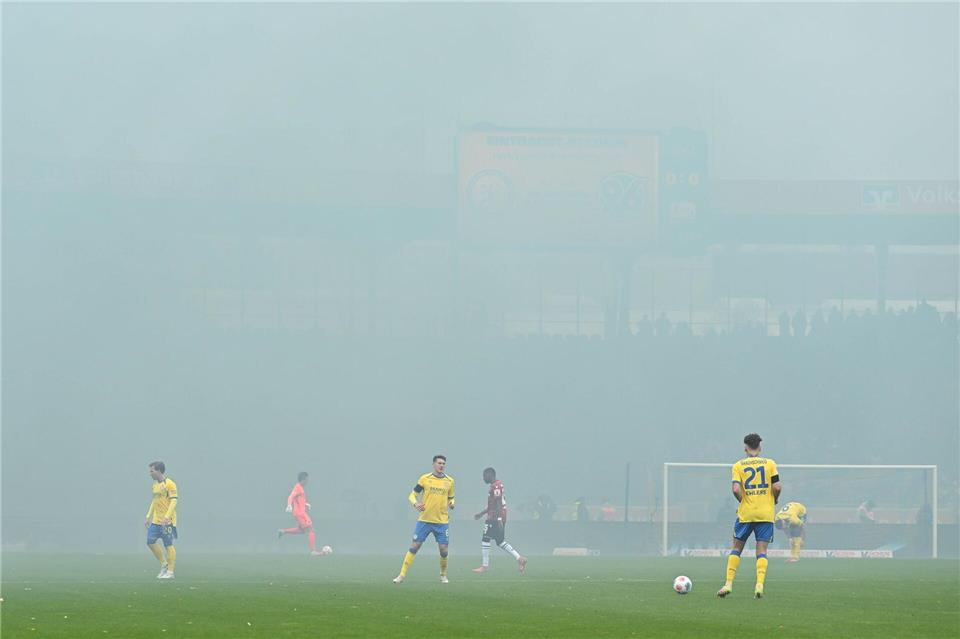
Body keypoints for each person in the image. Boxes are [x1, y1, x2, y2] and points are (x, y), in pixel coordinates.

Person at [717, 433, 781, 599]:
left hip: (746, 513)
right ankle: (759, 585)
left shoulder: (738, 466)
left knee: (737, 548)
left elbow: (736, 489)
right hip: (765, 514)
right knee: (762, 550)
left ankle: (728, 583)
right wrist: (775, 499)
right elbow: (777, 487)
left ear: (745, 447)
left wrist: (742, 501)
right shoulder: (770, 464)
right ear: (760, 447)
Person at [393, 455, 455, 584]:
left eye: (444, 463)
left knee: (444, 550)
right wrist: (415, 504)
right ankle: (401, 575)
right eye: (439, 463)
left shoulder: (449, 481)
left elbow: (451, 497)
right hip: (425, 520)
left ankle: (443, 575)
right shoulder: (425, 479)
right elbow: (412, 495)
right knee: (415, 546)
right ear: (433, 464)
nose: (442, 465)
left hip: (442, 522)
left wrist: (452, 503)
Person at [471, 467, 527, 574]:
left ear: (490, 475)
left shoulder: (495, 486)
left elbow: (498, 504)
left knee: (485, 539)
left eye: (484, 476)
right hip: (496, 516)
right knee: (500, 541)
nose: (483, 478)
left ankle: (484, 566)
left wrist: (499, 518)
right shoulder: (496, 485)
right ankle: (520, 558)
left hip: (494, 518)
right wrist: (481, 514)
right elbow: (493, 504)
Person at [145, 461, 178, 580]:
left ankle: (170, 571)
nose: (150, 473)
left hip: (167, 521)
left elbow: (174, 501)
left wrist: (167, 517)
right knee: (150, 541)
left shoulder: (170, 484)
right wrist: (148, 516)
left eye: (152, 471)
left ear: (158, 471)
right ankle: (164, 564)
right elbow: (154, 501)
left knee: (168, 545)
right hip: (156, 521)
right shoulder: (155, 485)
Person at [278, 471, 321, 556]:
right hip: (300, 514)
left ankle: (283, 531)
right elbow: (291, 496)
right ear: (304, 479)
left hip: (300, 512)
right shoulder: (298, 487)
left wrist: (305, 504)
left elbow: (298, 499)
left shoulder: (300, 488)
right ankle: (313, 551)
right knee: (311, 530)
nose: (308, 481)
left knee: (302, 531)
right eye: (307, 479)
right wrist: (289, 505)